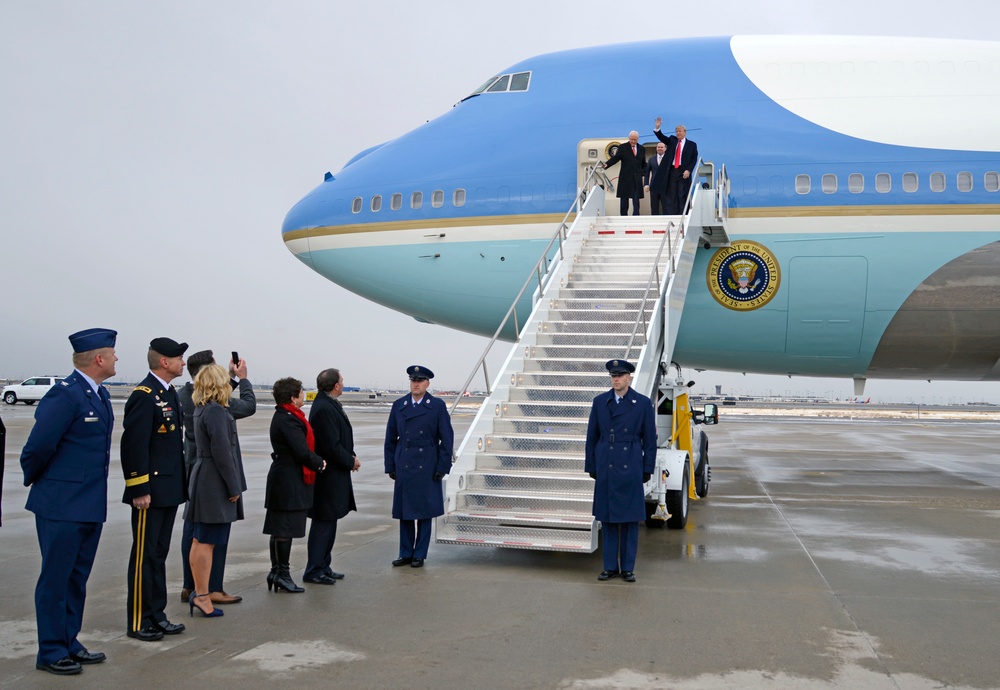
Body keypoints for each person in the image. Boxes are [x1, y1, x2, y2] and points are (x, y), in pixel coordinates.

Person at [20, 328, 118, 675]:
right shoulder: (65, 395)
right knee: (55, 579)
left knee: (76, 578)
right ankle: (50, 650)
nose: (118, 359)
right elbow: (36, 448)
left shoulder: (100, 395)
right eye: (114, 353)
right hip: (60, 504)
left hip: (89, 504)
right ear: (99, 359)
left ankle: (69, 641)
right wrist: (46, 484)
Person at [121, 337, 188, 642]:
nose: (183, 362)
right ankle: (138, 620)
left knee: (159, 554)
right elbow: (134, 446)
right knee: (145, 555)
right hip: (149, 492)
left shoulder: (168, 393)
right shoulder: (144, 395)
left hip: (168, 488)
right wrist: (139, 488)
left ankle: (156, 614)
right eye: (179, 358)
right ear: (164, 361)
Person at [177, 350, 256, 605]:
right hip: (215, 475)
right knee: (214, 536)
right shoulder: (215, 408)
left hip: (194, 470)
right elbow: (247, 406)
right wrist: (242, 379)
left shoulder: (184, 396)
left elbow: (216, 394)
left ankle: (192, 586)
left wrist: (229, 380)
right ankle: (212, 588)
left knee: (193, 533)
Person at [584, 359, 656, 583]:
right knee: (608, 520)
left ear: (629, 377)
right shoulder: (600, 402)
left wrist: (647, 468)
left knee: (630, 520)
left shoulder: (642, 404)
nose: (615, 379)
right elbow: (591, 437)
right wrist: (592, 465)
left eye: (620, 375)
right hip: (607, 463)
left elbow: (650, 441)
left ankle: (627, 568)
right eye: (613, 376)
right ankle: (609, 567)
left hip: (631, 463)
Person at [384, 365, 453, 568]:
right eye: (413, 380)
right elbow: (390, 439)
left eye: (420, 380)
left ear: (427, 383)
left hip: (427, 465)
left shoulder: (437, 406)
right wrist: (390, 465)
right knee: (405, 512)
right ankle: (405, 553)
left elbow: (446, 439)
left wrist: (443, 466)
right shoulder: (399, 405)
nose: (416, 384)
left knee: (423, 512)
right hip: (404, 463)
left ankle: (419, 554)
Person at [264, 377, 326, 593]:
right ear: (292, 397)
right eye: (301, 392)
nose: (303, 395)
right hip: (288, 480)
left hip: (286, 478)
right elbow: (301, 451)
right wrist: (320, 463)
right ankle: (282, 573)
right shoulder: (288, 419)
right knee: (284, 529)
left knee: (280, 528)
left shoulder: (288, 415)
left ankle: (276, 571)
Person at [304, 368, 360, 584]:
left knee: (330, 521)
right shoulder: (324, 408)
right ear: (336, 385)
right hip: (328, 476)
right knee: (323, 522)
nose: (344, 384)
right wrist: (351, 461)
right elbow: (330, 446)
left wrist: (350, 457)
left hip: (336, 473)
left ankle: (323, 565)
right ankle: (314, 570)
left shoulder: (327, 403)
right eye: (342, 381)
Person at [653, 117, 698, 214]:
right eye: (676, 131)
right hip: (672, 170)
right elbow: (662, 137)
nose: (678, 133)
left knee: (682, 194)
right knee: (671, 194)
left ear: (685, 132)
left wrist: (689, 170)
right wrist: (657, 128)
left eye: (680, 131)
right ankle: (672, 215)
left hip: (683, 171)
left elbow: (694, 159)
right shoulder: (672, 140)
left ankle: (683, 215)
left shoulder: (692, 145)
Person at [602, 131, 647, 216]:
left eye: (635, 140)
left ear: (638, 139)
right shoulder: (623, 147)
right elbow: (616, 158)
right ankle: (623, 217)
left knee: (636, 201)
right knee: (624, 201)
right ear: (629, 139)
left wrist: (643, 173)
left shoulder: (642, 149)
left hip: (636, 178)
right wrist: (607, 164)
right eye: (632, 139)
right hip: (625, 178)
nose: (633, 141)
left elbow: (643, 163)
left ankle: (636, 217)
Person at [644, 141, 670, 215]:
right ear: (656, 148)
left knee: (666, 206)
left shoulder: (668, 159)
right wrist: (646, 184)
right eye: (658, 147)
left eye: (662, 147)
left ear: (665, 149)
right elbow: (647, 173)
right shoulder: (651, 159)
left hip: (665, 187)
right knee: (654, 206)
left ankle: (666, 221)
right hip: (654, 186)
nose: (660, 149)